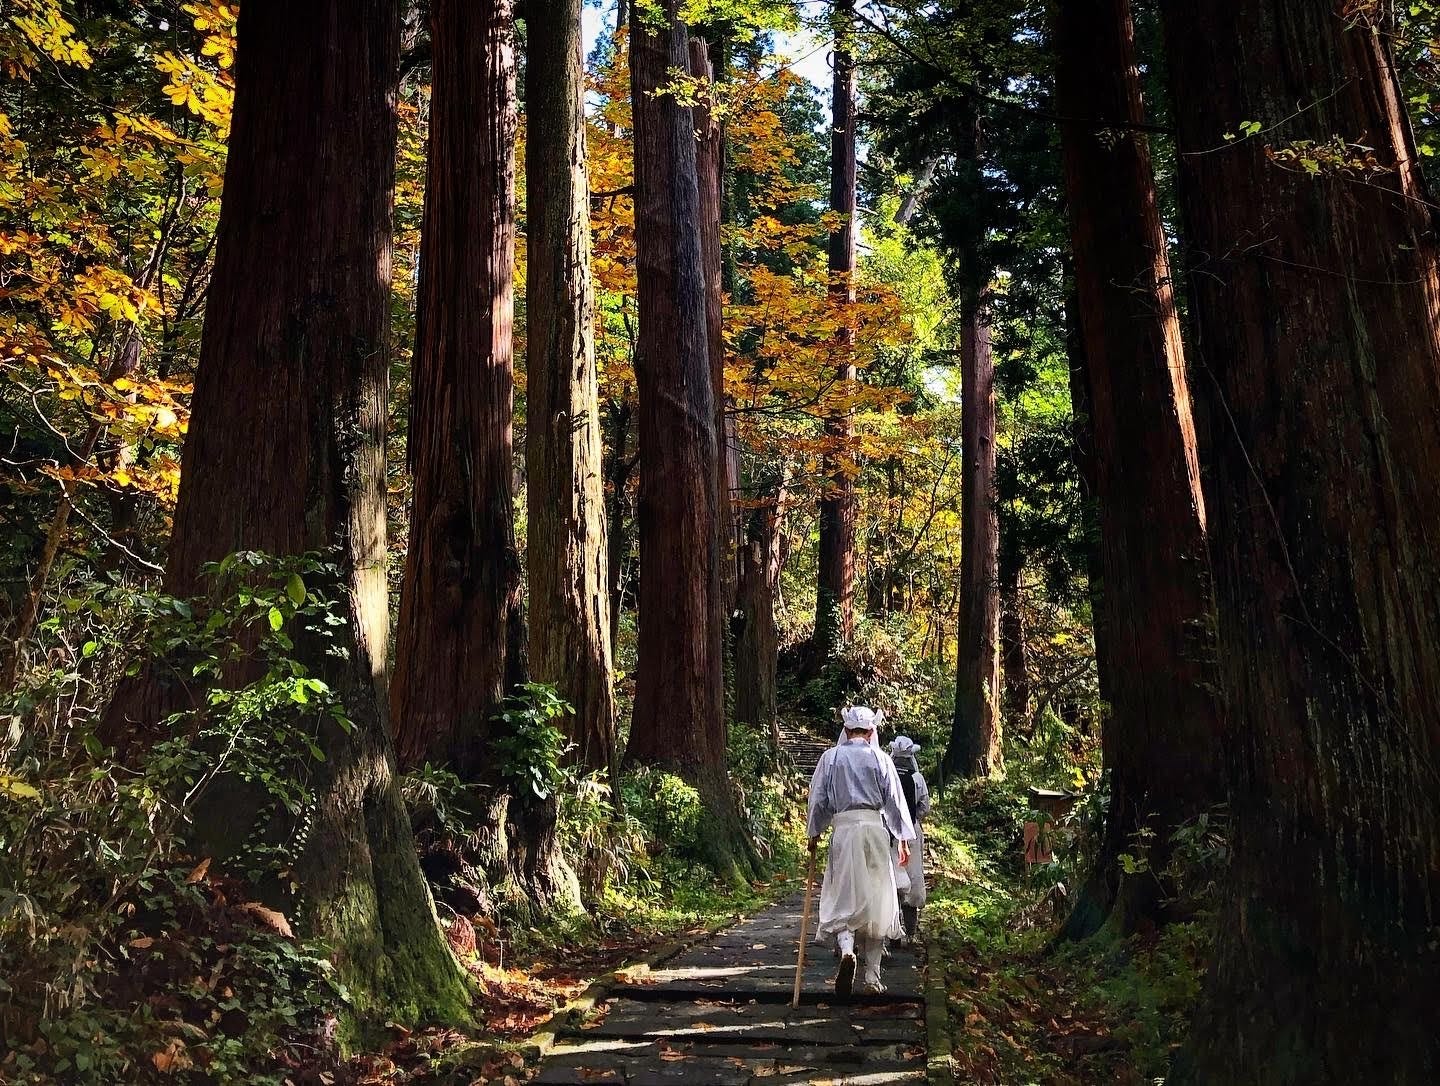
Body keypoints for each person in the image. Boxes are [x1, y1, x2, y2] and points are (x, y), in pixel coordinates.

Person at [806, 706, 915, 997]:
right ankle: (872, 977)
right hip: (874, 832)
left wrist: (814, 832)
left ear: (846, 730)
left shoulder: (831, 758)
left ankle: (845, 950)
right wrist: (902, 838)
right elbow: (894, 801)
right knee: (878, 899)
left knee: (844, 894)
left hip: (843, 832)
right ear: (870, 732)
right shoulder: (881, 759)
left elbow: (819, 799)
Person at [888, 735, 931, 943]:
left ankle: (892, 932)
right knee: (912, 879)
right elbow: (925, 806)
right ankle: (911, 933)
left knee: (891, 880)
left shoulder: (886, 774)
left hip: (888, 833)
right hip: (911, 832)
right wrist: (913, 819)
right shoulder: (917, 779)